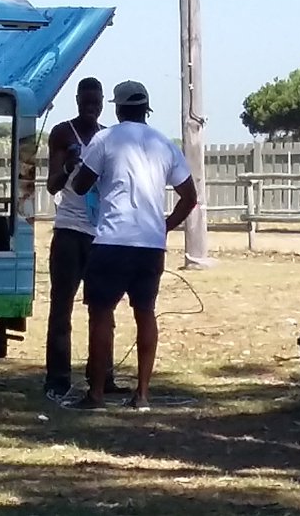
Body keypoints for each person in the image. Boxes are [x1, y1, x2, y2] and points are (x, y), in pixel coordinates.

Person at [63, 80, 198, 411]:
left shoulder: (105, 139)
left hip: (112, 240)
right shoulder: (164, 144)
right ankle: (142, 394)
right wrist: (164, 226)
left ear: (118, 109)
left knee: (100, 315)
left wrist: (77, 164)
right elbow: (189, 197)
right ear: (146, 109)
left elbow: (80, 186)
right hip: (150, 245)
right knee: (145, 313)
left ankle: (95, 394)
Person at [42, 77, 128, 401]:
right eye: (85, 101)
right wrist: (68, 165)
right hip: (68, 231)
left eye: (96, 102)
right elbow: (52, 185)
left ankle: (102, 376)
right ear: (77, 100)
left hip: (100, 234)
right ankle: (58, 379)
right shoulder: (63, 133)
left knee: (103, 308)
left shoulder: (107, 138)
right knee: (61, 308)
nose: (90, 107)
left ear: (103, 102)